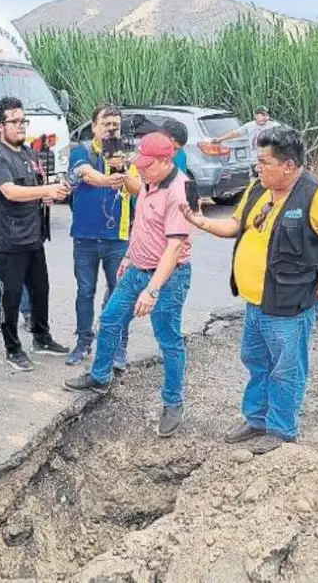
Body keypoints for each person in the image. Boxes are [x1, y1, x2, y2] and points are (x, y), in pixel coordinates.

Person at [179, 126, 318, 454]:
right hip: (256, 301)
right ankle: (257, 419)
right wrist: (200, 221)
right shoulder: (258, 189)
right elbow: (235, 226)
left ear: (289, 166)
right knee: (255, 360)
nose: (257, 169)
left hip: (291, 303)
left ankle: (281, 430)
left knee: (286, 367)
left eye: (264, 163)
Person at [64, 131, 194, 438]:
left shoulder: (179, 191)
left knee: (168, 338)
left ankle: (173, 403)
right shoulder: (151, 180)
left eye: (148, 166)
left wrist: (152, 290)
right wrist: (130, 257)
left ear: (166, 160)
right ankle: (100, 375)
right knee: (109, 319)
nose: (142, 171)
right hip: (136, 267)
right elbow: (145, 224)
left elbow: (174, 248)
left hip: (168, 277)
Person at [0, 96, 71, 371]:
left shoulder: (28, 153)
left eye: (23, 120)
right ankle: (12, 348)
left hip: (33, 236)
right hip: (9, 240)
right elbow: (10, 191)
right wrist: (44, 192)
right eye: (14, 121)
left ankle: (42, 337)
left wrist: (51, 194)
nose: (21, 126)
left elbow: (35, 188)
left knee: (41, 290)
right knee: (11, 297)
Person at [65, 104, 143, 367]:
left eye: (115, 125)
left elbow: (137, 190)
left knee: (120, 294)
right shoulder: (81, 151)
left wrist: (121, 169)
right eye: (106, 123)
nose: (111, 128)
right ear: (94, 126)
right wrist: (107, 179)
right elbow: (86, 174)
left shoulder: (127, 158)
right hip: (85, 236)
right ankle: (83, 342)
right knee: (85, 291)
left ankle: (119, 346)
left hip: (117, 238)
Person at [211, 106, 280, 150]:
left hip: (269, 161)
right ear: (256, 116)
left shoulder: (274, 126)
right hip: (255, 161)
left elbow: (286, 133)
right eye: (263, 115)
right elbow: (235, 133)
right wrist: (220, 139)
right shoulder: (249, 126)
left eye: (267, 115)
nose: (266, 118)